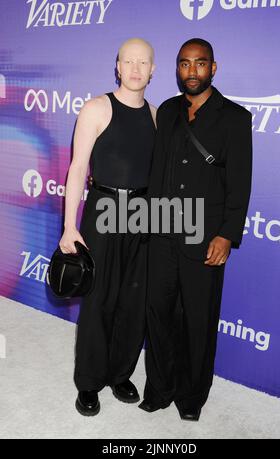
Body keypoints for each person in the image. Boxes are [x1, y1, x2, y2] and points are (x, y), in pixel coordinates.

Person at [139, 38, 253, 421]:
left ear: (213, 68)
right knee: (158, 312)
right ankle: (159, 387)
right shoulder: (167, 111)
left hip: (205, 239)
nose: (192, 72)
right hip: (161, 234)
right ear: (177, 69)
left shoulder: (235, 119)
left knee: (198, 319)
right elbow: (156, 173)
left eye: (200, 64)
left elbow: (240, 184)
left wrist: (226, 234)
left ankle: (191, 396)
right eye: (185, 64)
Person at [59, 38, 156, 416]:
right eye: (128, 61)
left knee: (134, 300)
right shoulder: (97, 108)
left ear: (153, 69)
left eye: (143, 62)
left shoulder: (155, 115)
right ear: (117, 66)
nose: (135, 68)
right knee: (99, 298)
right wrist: (70, 226)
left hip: (144, 212)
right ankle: (89, 382)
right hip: (103, 208)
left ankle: (120, 374)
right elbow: (77, 168)